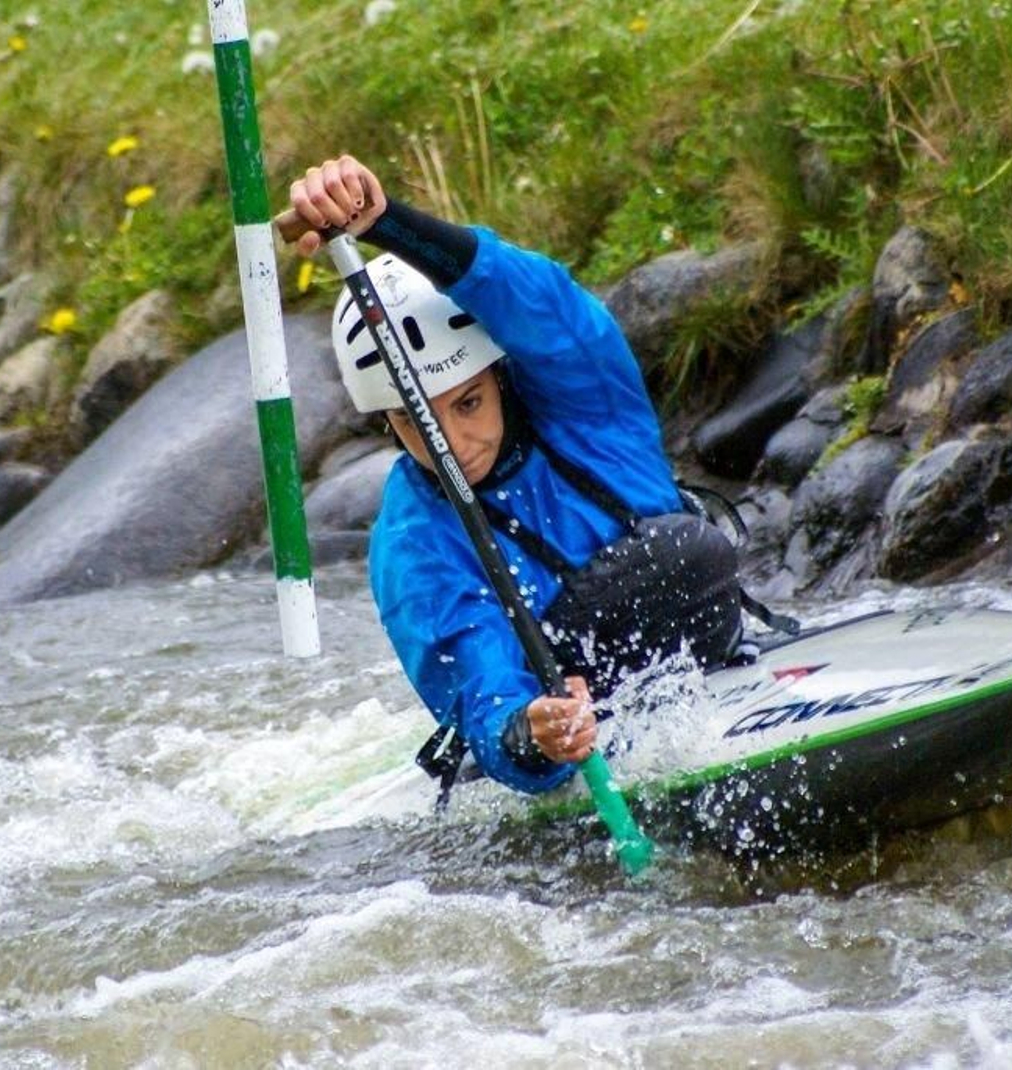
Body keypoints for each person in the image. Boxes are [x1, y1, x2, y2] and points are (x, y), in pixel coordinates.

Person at [288, 156, 744, 796]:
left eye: (468, 403)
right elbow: (480, 679)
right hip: (559, 722)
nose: (452, 442)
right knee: (677, 557)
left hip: (705, 649)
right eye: (420, 422)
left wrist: (386, 223)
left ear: (501, 377)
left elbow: (537, 299)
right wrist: (528, 734)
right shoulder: (413, 544)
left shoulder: (589, 402)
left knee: (682, 555)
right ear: (389, 423)